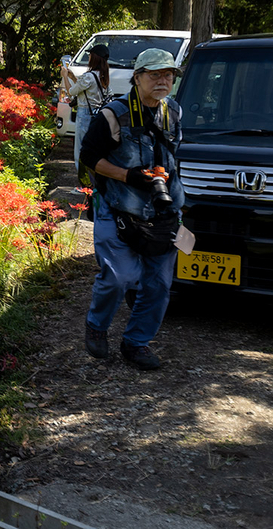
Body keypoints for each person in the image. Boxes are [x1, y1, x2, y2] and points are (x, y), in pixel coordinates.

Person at [79, 47, 184, 370]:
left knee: (159, 284)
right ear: (137, 78)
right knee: (119, 276)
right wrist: (129, 176)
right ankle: (97, 325)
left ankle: (136, 343)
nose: (162, 81)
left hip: (162, 210)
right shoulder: (113, 114)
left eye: (167, 75)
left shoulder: (173, 112)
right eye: (154, 75)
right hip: (117, 206)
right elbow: (90, 159)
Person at [62, 43, 111, 174]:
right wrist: (73, 77)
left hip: (84, 115)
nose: (89, 57)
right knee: (93, 149)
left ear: (94, 58)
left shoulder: (89, 76)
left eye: (90, 55)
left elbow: (71, 91)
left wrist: (65, 76)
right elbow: (84, 87)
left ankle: (83, 184)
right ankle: (93, 182)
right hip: (97, 115)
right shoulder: (103, 75)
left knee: (81, 150)